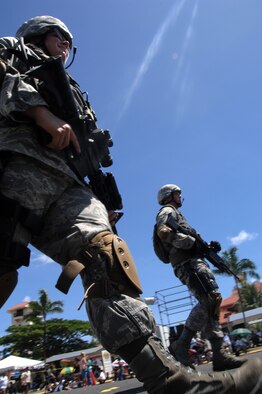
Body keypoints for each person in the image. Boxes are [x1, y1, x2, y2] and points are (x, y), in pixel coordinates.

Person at [0, 16, 261, 394]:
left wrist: (103, 198)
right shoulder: (13, 50)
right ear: (39, 35)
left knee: (105, 256)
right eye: (61, 38)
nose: (66, 47)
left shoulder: (71, 86)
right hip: (13, 165)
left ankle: (170, 380)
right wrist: (39, 112)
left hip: (67, 182)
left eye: (70, 43)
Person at [154, 184, 250, 372]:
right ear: (169, 196)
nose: (181, 196)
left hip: (193, 261)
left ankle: (219, 354)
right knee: (209, 298)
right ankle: (181, 345)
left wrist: (207, 248)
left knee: (212, 303)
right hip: (187, 263)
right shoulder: (166, 210)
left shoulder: (178, 215)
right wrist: (190, 243)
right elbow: (163, 231)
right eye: (178, 193)